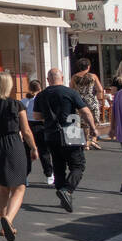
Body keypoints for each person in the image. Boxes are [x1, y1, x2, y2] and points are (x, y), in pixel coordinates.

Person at [0, 72, 39, 241]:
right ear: (8, 86)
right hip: (13, 144)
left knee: (3, 188)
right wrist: (33, 147)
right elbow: (25, 131)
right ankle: (8, 220)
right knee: (19, 186)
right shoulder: (16, 105)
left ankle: (3, 224)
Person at [34, 68, 98, 212]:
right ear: (62, 77)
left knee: (58, 166)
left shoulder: (41, 95)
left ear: (47, 79)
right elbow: (85, 111)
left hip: (51, 133)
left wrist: (49, 117)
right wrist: (93, 128)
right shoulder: (70, 92)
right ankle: (67, 190)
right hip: (71, 130)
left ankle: (63, 193)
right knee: (78, 165)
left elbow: (37, 116)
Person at [22, 79, 54, 186]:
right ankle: (49, 174)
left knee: (27, 151)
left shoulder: (24, 101)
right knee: (44, 151)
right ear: (40, 88)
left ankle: (25, 176)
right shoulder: (44, 99)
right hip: (40, 125)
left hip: (28, 126)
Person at [71, 58, 105, 150]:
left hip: (79, 101)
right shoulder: (93, 76)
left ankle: (86, 142)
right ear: (88, 66)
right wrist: (100, 99)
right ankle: (93, 140)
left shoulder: (74, 77)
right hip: (91, 100)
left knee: (84, 122)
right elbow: (100, 89)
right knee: (95, 120)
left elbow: (71, 89)